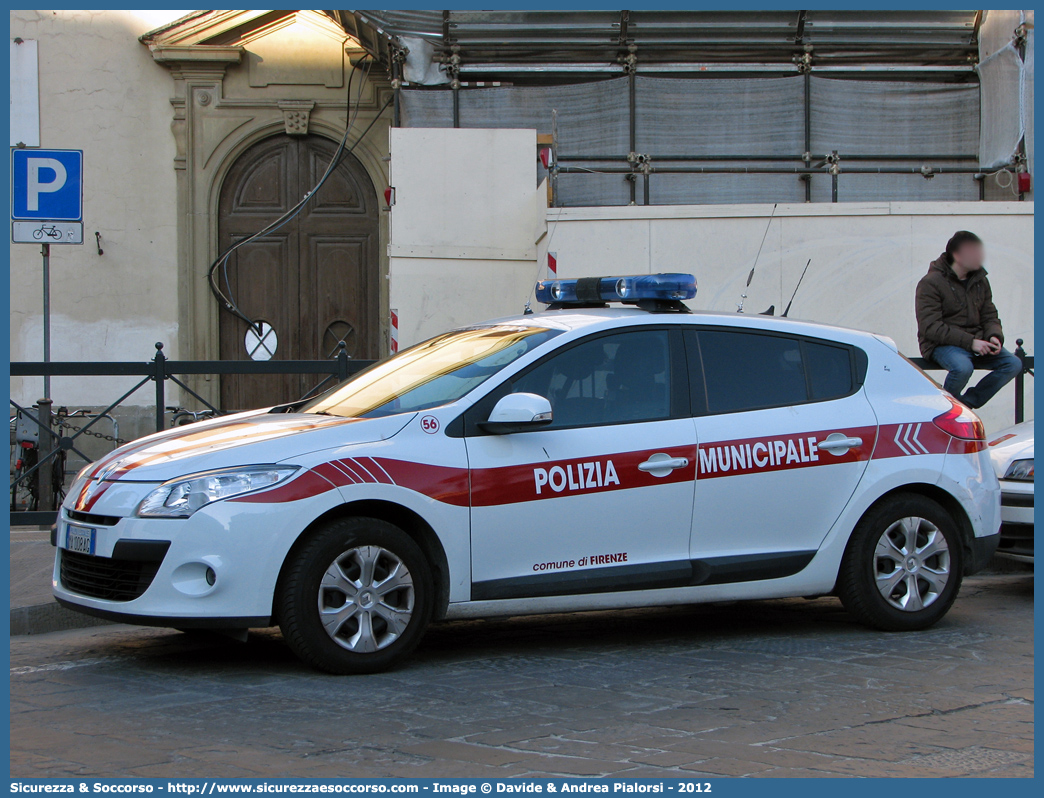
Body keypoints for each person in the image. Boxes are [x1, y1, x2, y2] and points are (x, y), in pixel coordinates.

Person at [915, 230, 1022, 409]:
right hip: (941, 345)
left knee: (1012, 364)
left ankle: (964, 406)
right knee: (963, 368)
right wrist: (971, 342)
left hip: (977, 342)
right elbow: (930, 327)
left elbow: (989, 314)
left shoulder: (980, 281)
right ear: (957, 255)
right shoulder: (930, 282)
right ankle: (942, 409)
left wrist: (993, 336)